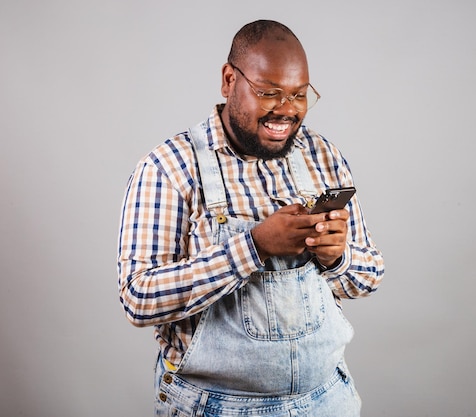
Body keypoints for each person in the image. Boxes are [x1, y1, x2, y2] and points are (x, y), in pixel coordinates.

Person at [117, 19, 384, 416]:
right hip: (214, 407)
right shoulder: (169, 167)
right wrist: (254, 247)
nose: (287, 110)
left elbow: (368, 277)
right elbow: (139, 298)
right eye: (268, 93)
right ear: (229, 80)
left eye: (299, 95)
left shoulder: (323, 156)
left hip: (328, 399)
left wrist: (336, 257)